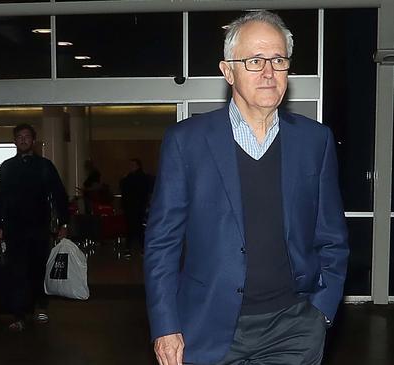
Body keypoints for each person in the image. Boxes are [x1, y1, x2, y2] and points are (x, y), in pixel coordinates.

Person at [144, 11, 349, 365]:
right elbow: (163, 243)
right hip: (206, 326)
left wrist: (321, 313)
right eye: (254, 61)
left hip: (294, 328)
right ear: (228, 71)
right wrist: (166, 325)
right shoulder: (186, 142)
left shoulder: (315, 140)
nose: (268, 72)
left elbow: (331, 235)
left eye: (278, 60)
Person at [0, 123, 69, 332]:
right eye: (19, 137)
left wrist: (63, 222)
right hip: (14, 228)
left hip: (39, 227)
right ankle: (19, 314)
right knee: (17, 271)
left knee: (38, 268)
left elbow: (59, 194)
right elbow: (2, 198)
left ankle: (41, 306)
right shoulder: (7, 167)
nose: (23, 140)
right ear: (14, 141)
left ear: (33, 140)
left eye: (27, 136)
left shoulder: (45, 166)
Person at [119, 158, 151, 257]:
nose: (130, 167)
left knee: (132, 228)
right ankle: (141, 248)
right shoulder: (143, 177)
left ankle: (129, 248)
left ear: (138, 166)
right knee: (139, 228)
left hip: (133, 206)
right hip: (138, 206)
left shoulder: (130, 178)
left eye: (133, 165)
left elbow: (124, 188)